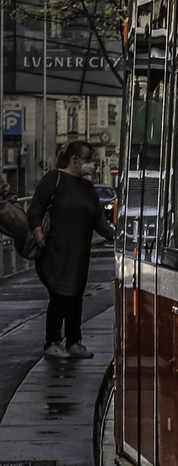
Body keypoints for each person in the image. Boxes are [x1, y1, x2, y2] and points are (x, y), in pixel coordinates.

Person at [27, 141, 115, 359]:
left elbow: (98, 220)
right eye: (89, 160)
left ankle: (74, 341)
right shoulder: (54, 179)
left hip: (79, 252)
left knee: (76, 295)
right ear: (75, 160)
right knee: (60, 295)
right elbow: (35, 210)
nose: (92, 165)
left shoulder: (87, 188)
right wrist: (38, 234)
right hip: (56, 250)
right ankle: (53, 341)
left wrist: (117, 236)